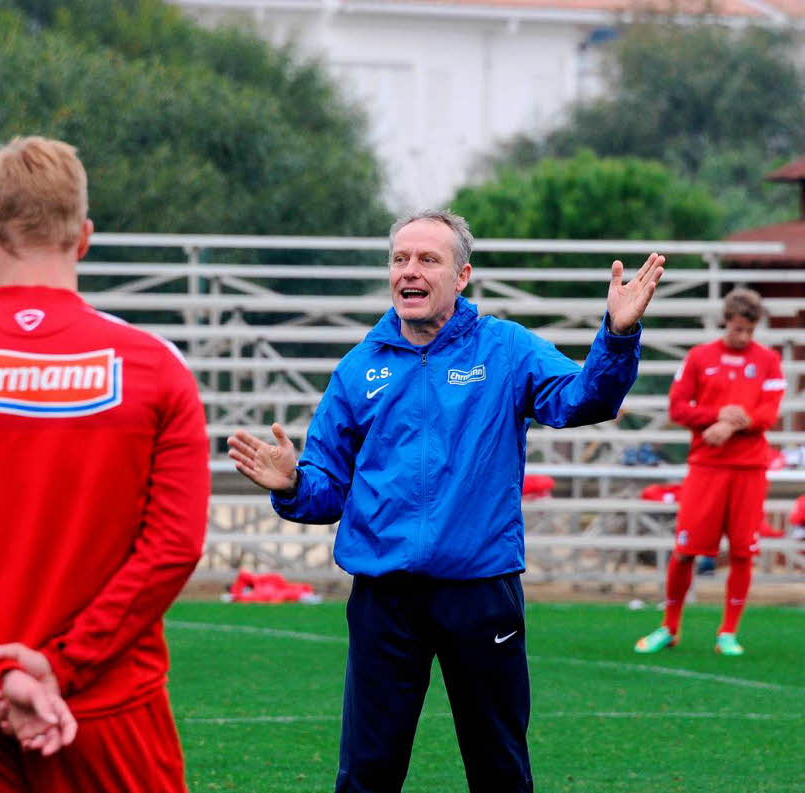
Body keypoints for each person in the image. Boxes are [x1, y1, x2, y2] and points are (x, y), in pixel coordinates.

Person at [227, 210, 664, 793]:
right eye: (400, 259)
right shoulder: (358, 369)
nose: (410, 270)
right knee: (367, 771)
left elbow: (583, 400)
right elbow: (325, 492)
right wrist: (290, 485)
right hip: (386, 601)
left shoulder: (506, 349)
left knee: (500, 769)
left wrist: (617, 335)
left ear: (462, 276)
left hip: (481, 593)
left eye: (427, 259)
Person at [0, 137, 210, 791]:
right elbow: (173, 546)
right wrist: (62, 666)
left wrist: (0, 672)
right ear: (82, 236)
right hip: (111, 709)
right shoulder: (157, 368)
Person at [636, 288, 784, 657]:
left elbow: (769, 414)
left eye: (749, 330)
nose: (744, 337)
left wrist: (733, 426)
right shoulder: (700, 357)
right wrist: (715, 417)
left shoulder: (768, 361)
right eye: (737, 329)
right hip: (706, 467)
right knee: (685, 550)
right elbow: (678, 408)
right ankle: (669, 627)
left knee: (742, 553)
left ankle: (728, 633)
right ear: (726, 322)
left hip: (750, 468)